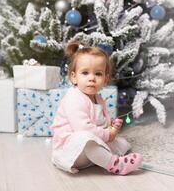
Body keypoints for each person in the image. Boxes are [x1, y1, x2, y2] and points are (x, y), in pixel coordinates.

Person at [50, 42, 143, 175]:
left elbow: (100, 121)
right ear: (74, 77)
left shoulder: (97, 98)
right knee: (88, 141)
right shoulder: (74, 98)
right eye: (85, 73)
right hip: (71, 150)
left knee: (121, 142)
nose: (92, 78)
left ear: (105, 79)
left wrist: (110, 126)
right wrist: (107, 134)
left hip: (89, 147)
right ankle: (116, 165)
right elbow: (83, 128)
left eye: (98, 74)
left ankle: (106, 157)